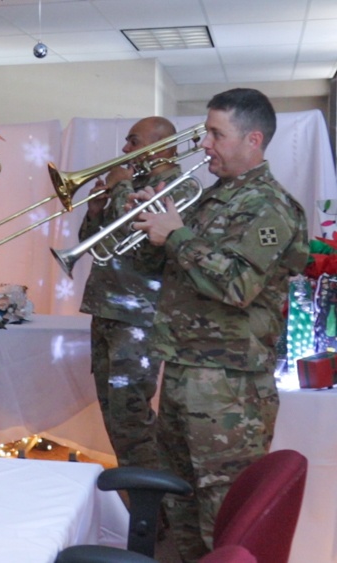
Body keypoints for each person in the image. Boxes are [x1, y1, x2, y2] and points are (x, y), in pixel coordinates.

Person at [131, 88, 309, 561]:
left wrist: (179, 236)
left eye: (215, 133)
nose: (204, 143)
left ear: (253, 140)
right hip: (187, 370)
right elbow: (181, 274)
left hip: (229, 389)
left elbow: (236, 285)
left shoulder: (269, 206)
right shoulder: (216, 199)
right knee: (182, 505)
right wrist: (155, 233)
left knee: (223, 517)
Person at [77, 116, 181, 470]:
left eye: (133, 141)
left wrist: (120, 188)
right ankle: (140, 499)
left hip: (138, 321)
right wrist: (94, 214)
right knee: (114, 417)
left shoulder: (176, 188)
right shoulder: (135, 185)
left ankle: (155, 509)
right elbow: (100, 247)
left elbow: (148, 253)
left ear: (162, 145)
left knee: (132, 419)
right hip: (106, 312)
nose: (124, 150)